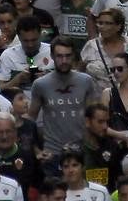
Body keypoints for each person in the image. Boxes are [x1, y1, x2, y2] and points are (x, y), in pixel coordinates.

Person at [28, 38, 100, 173]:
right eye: (59, 56)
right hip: (53, 153)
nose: (64, 60)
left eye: (68, 56)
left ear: (73, 56)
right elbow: (29, 120)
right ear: (52, 56)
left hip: (82, 151)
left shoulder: (86, 81)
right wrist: (36, 150)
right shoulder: (41, 84)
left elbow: (93, 118)